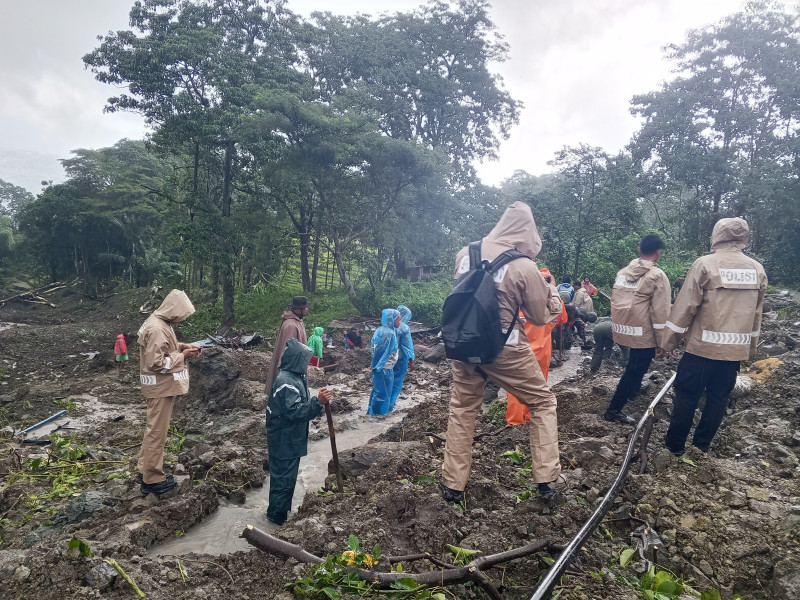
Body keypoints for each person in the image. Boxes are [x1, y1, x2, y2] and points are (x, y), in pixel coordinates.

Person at [440, 202, 563, 503]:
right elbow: (539, 317)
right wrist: (552, 292)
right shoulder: (524, 266)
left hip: (464, 343)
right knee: (543, 402)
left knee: (463, 408)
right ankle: (546, 481)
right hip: (505, 349)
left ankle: (452, 484)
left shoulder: (464, 254)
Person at [661, 218, 766, 456]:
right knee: (718, 399)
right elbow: (756, 315)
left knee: (687, 397)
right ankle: (701, 448)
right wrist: (750, 349)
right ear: (743, 238)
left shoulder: (705, 264)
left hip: (701, 349)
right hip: (733, 353)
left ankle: (674, 448)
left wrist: (668, 342)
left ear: (717, 235)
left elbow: (684, 307)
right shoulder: (757, 269)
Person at [137, 290, 201, 495]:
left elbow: (163, 347)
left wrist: (181, 347)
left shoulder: (159, 321)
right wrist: (183, 356)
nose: (182, 318)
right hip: (160, 387)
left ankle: (144, 469)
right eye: (182, 314)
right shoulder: (158, 328)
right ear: (174, 309)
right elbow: (155, 362)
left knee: (153, 430)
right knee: (157, 433)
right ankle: (152, 478)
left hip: (159, 387)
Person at [603, 234, 671, 425]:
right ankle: (614, 410)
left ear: (639, 250)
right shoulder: (657, 276)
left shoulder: (622, 272)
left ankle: (633, 390)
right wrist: (663, 341)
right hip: (642, 332)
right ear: (658, 252)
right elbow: (660, 312)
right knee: (635, 369)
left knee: (636, 363)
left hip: (622, 328)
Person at [265, 338, 332, 525]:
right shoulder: (286, 382)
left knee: (286, 480)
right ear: (297, 361)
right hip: (284, 440)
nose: (308, 365)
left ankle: (279, 516)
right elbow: (295, 412)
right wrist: (318, 402)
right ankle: (275, 519)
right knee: (283, 481)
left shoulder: (294, 377)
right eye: (306, 361)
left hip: (288, 439)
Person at [505, 267, 568, 426]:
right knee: (537, 388)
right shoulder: (555, 303)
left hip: (518, 351)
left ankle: (514, 422)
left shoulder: (519, 300)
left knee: (515, 388)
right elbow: (562, 319)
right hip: (542, 353)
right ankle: (530, 418)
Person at [265, 296, 309, 395]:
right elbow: (287, 354)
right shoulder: (291, 325)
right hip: (290, 371)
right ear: (301, 308)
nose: (306, 310)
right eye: (305, 307)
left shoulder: (297, 321)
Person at [366, 309, 400, 417]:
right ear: (392, 319)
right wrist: (376, 366)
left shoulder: (382, 330)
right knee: (382, 393)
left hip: (383, 367)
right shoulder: (388, 333)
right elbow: (381, 350)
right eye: (398, 320)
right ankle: (378, 415)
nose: (399, 322)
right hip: (384, 368)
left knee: (378, 391)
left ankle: (372, 412)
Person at [388, 305, 415, 412]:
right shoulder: (404, 328)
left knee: (386, 381)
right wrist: (411, 360)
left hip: (387, 359)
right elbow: (407, 345)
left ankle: (380, 407)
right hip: (400, 359)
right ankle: (390, 405)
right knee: (396, 382)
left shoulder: (386, 326)